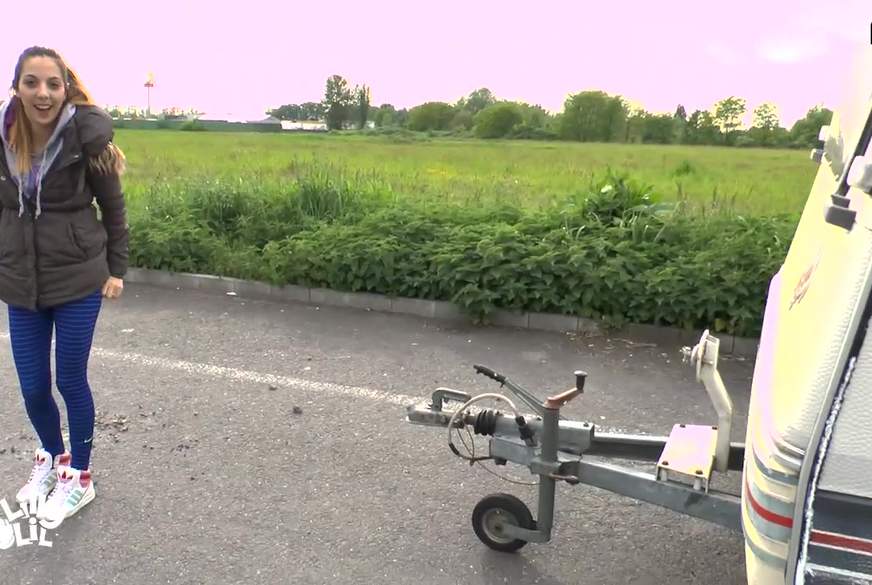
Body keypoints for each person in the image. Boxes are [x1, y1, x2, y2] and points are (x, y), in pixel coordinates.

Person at [0, 46, 128, 525]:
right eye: (32, 82)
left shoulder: (87, 140)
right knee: (33, 387)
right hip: (21, 281)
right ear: (17, 88)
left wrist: (116, 269)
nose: (43, 93)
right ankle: (54, 458)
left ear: (65, 89)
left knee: (70, 379)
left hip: (78, 277)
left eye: (53, 84)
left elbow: (113, 208)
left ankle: (80, 477)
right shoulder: (3, 140)